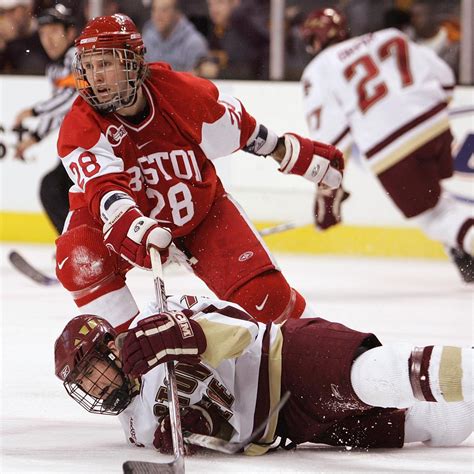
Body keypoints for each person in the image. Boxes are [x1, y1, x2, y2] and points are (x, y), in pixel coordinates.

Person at [54, 13, 344, 332]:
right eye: (90, 66)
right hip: (118, 225)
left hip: (201, 214)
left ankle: (325, 346)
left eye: (106, 64)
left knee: (267, 301)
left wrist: (295, 155)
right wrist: (134, 223)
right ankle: (131, 359)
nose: (96, 78)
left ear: (133, 62)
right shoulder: (80, 124)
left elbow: (244, 132)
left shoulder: (181, 94)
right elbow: (105, 190)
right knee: (80, 259)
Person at [54, 293, 473, 455]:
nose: (94, 387)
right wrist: (202, 432)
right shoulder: (136, 428)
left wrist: (184, 332)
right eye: (83, 383)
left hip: (286, 355)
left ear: (111, 347)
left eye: (92, 371)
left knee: (374, 377)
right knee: (439, 427)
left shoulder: (155, 318)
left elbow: (242, 329)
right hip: (289, 426)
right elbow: (228, 438)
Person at [299, 8, 473, 282]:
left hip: (393, 148)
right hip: (436, 127)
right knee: (434, 198)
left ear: (316, 40)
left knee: (431, 215)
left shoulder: (318, 69)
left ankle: (464, 240)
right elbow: (445, 78)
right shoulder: (390, 36)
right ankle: (460, 249)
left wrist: (327, 200)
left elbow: (328, 147)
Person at [11, 4, 76, 234]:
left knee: (54, 188)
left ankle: (78, 245)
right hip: (80, 146)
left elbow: (75, 97)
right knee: (54, 189)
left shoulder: (77, 57)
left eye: (53, 32)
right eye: (42, 33)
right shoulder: (54, 69)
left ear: (70, 33)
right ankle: (77, 244)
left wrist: (34, 111)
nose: (47, 40)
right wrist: (34, 137)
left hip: (98, 144)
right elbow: (59, 109)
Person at [142, 0, 209, 72]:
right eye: (154, 10)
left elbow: (195, 80)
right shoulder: (146, 39)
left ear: (177, 13)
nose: (158, 15)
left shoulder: (194, 43)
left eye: (164, 10)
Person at [0, 0, 49, 74]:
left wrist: (13, 41)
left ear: (28, 8)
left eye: (12, 11)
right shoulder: (3, 37)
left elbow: (35, 69)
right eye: (3, 12)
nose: (7, 16)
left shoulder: (46, 31)